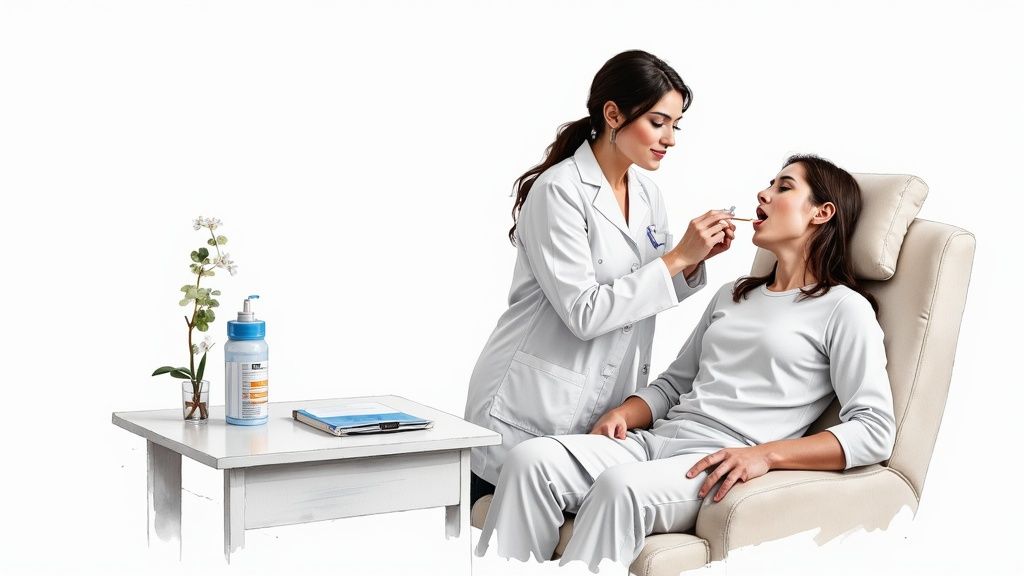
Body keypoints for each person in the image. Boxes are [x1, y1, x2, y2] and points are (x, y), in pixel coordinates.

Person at [475, 154, 897, 573]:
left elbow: (874, 430)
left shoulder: (845, 309)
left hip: (711, 463)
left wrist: (766, 456)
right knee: (530, 461)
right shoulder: (733, 295)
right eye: (769, 184)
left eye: (783, 187)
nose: (763, 194)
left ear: (822, 213)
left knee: (619, 488)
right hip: (656, 441)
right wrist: (626, 412)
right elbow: (674, 385)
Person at [463, 50, 738, 504]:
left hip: (604, 401)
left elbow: (639, 294)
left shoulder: (648, 194)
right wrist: (674, 259)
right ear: (613, 114)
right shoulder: (560, 191)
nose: (670, 139)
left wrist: (691, 261)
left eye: (676, 125)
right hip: (529, 405)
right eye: (658, 122)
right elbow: (585, 313)